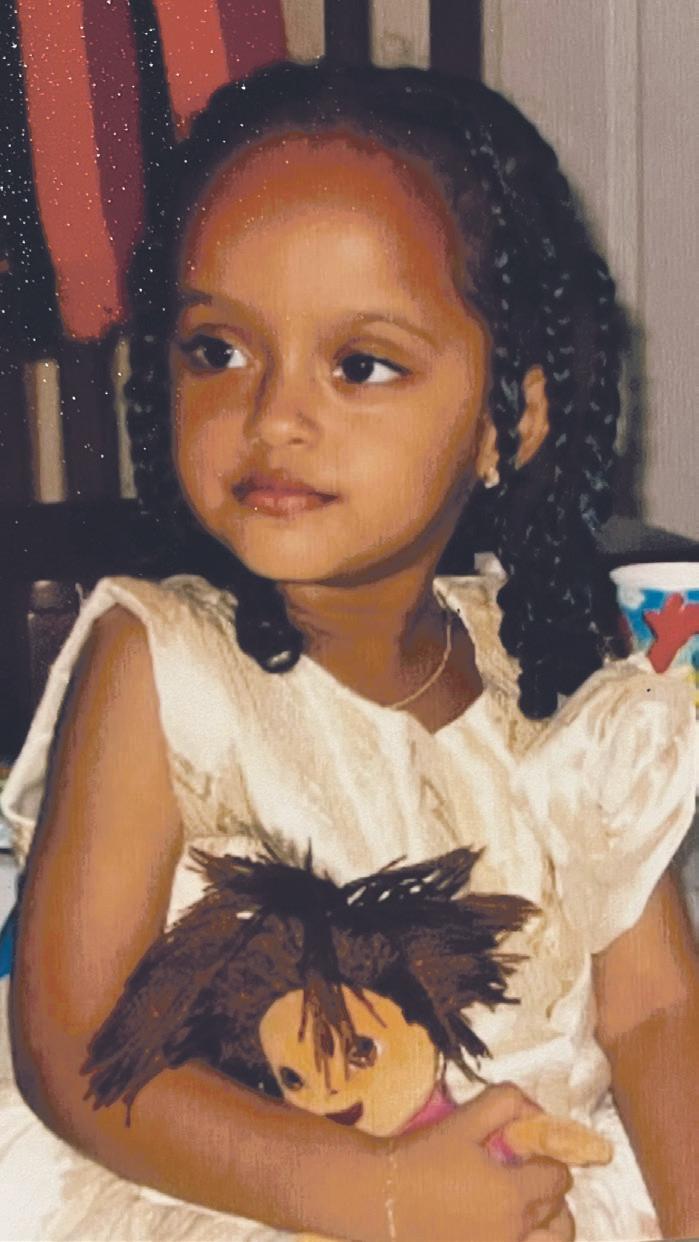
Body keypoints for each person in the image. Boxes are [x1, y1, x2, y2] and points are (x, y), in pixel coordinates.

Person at [0, 60, 697, 1242]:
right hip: (251, 1192)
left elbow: (654, 1011)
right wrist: (374, 1195)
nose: (273, 414)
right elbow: (72, 1049)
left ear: (510, 421)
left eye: (361, 365)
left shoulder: (555, 673)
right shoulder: (159, 663)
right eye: (217, 351)